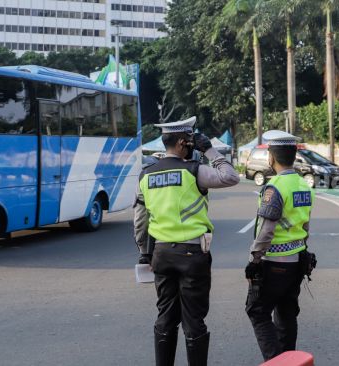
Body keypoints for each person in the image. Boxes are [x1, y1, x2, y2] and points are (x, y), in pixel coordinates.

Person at [133, 116, 240, 366]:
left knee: (165, 317)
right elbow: (231, 177)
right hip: (193, 255)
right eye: (191, 141)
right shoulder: (194, 171)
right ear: (183, 142)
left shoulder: (145, 175)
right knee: (193, 320)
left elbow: (140, 221)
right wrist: (210, 150)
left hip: (161, 254)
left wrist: (144, 252)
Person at [245, 130, 315, 361]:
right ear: (294, 156)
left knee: (257, 311)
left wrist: (254, 260)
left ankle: (276, 361)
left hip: (273, 263)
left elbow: (266, 230)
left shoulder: (274, 187)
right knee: (286, 316)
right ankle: (289, 361)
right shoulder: (303, 185)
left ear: (271, 158)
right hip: (296, 262)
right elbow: (305, 226)